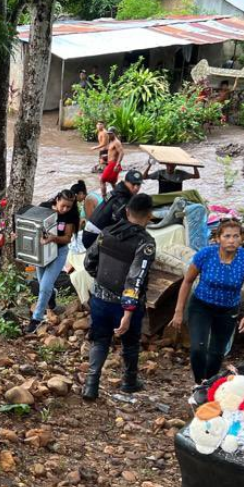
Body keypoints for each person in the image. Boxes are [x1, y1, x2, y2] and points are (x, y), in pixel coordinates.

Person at [82, 193, 156, 401]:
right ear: (149, 216)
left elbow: (89, 262)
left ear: (126, 211)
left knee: (99, 340)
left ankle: (91, 385)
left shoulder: (107, 233)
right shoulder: (145, 243)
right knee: (130, 342)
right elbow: (136, 279)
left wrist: (101, 282)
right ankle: (129, 382)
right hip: (126, 306)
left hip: (100, 299)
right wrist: (128, 312)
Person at [170, 220, 244, 384]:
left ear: (241, 238)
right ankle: (199, 383)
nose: (231, 240)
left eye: (236, 236)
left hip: (228, 310)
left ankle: (209, 383)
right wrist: (178, 311)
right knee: (198, 348)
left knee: (217, 353)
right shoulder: (205, 254)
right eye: (227, 236)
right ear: (218, 238)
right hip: (201, 306)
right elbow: (187, 281)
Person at [27, 189, 79, 332]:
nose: (65, 209)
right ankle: (52, 297)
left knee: (44, 286)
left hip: (59, 251)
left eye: (69, 206)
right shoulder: (44, 207)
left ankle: (36, 319)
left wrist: (53, 238)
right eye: (63, 205)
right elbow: (32, 224)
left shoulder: (71, 215)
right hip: (43, 250)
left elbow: (67, 238)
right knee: (41, 281)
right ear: (56, 200)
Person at [82, 169, 143, 249]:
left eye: (138, 184)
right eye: (133, 184)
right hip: (93, 237)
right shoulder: (122, 199)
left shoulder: (117, 191)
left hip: (90, 232)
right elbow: (121, 223)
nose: (136, 188)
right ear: (126, 182)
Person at [98, 127, 124, 197]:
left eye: (110, 134)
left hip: (114, 164)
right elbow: (112, 153)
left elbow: (121, 153)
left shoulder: (116, 142)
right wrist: (105, 159)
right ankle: (119, 196)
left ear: (114, 134)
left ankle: (104, 197)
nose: (109, 135)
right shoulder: (111, 141)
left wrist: (117, 164)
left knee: (102, 180)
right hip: (110, 163)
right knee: (112, 182)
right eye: (108, 133)